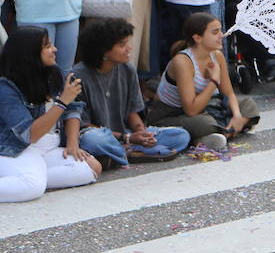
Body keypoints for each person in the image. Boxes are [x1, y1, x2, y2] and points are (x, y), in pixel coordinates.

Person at [0, 27, 100, 202]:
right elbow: (30, 134)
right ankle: (30, 179)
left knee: (91, 168)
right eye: (47, 46)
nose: (55, 49)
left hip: (49, 147)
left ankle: (29, 177)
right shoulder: (6, 88)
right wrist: (61, 103)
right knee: (32, 187)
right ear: (29, 53)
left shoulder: (54, 73)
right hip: (17, 149)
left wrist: (72, 143)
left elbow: (73, 109)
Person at [74, 18, 189, 168]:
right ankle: (128, 152)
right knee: (93, 140)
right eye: (122, 45)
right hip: (99, 135)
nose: (129, 48)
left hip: (126, 135)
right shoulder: (78, 75)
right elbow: (82, 125)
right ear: (103, 50)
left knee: (181, 136)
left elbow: (132, 110)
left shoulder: (127, 69)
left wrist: (143, 134)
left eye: (128, 43)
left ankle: (121, 154)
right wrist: (127, 138)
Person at [146, 13, 258, 146]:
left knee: (248, 105)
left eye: (220, 31)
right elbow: (191, 110)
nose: (221, 35)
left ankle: (221, 133)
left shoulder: (217, 56)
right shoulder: (183, 62)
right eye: (215, 32)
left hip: (208, 108)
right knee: (204, 123)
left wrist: (237, 115)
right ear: (198, 38)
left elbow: (228, 93)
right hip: (172, 114)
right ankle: (220, 132)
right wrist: (214, 81)